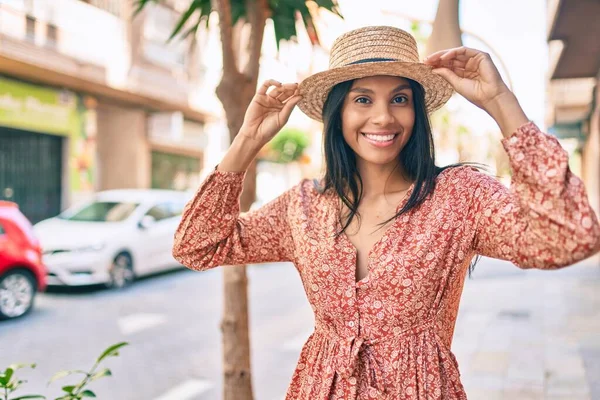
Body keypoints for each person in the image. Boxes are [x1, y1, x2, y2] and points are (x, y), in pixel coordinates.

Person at [173, 26, 600, 400]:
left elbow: (566, 237)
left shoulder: (458, 196)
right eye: (363, 99)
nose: (383, 117)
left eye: (399, 98)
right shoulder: (303, 207)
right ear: (338, 112)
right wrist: (247, 141)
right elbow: (196, 245)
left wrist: (501, 102)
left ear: (417, 110)